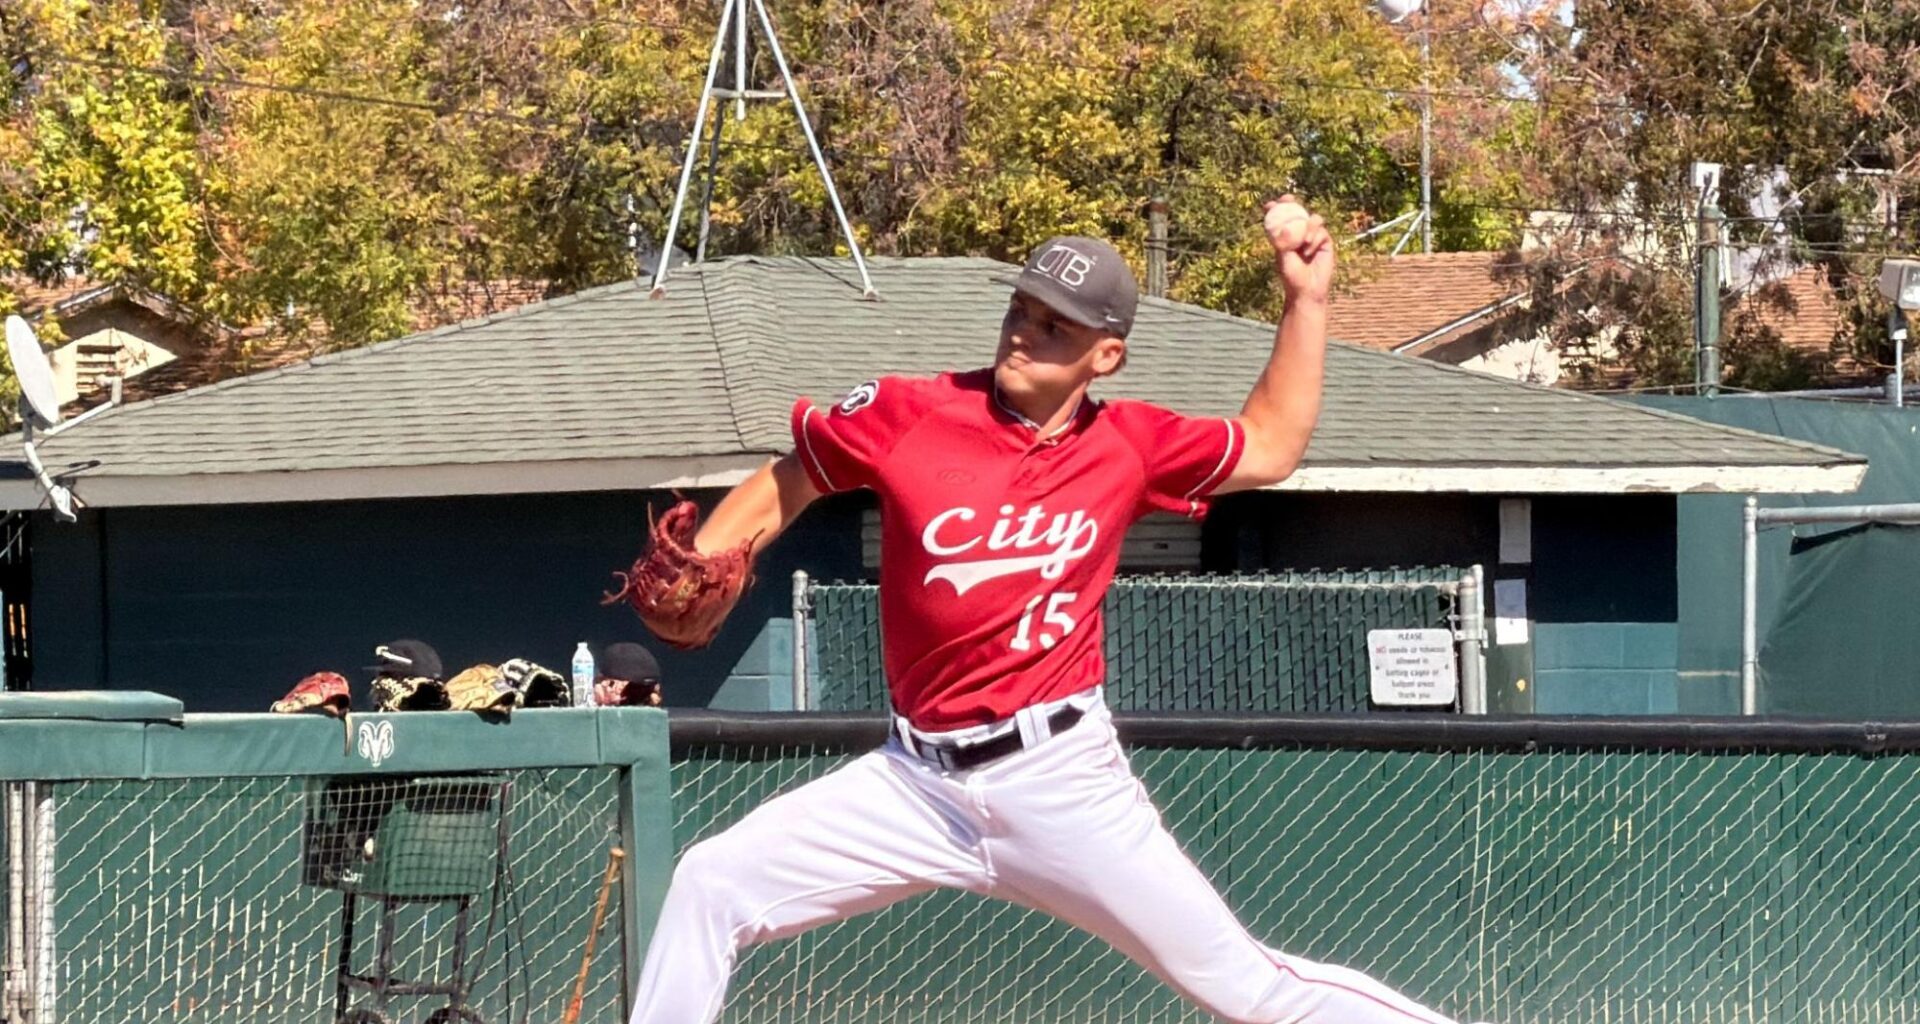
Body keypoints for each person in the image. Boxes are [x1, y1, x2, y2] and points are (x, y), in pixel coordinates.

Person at [626, 198, 1468, 1024]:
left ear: (1106, 356)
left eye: (1056, 325)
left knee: (1249, 991)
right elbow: (794, 475)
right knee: (712, 882)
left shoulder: (1130, 445)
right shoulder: (910, 415)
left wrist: (1306, 300)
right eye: (1021, 310)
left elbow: (1272, 443)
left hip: (1059, 780)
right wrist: (713, 555)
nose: (1026, 331)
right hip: (914, 781)